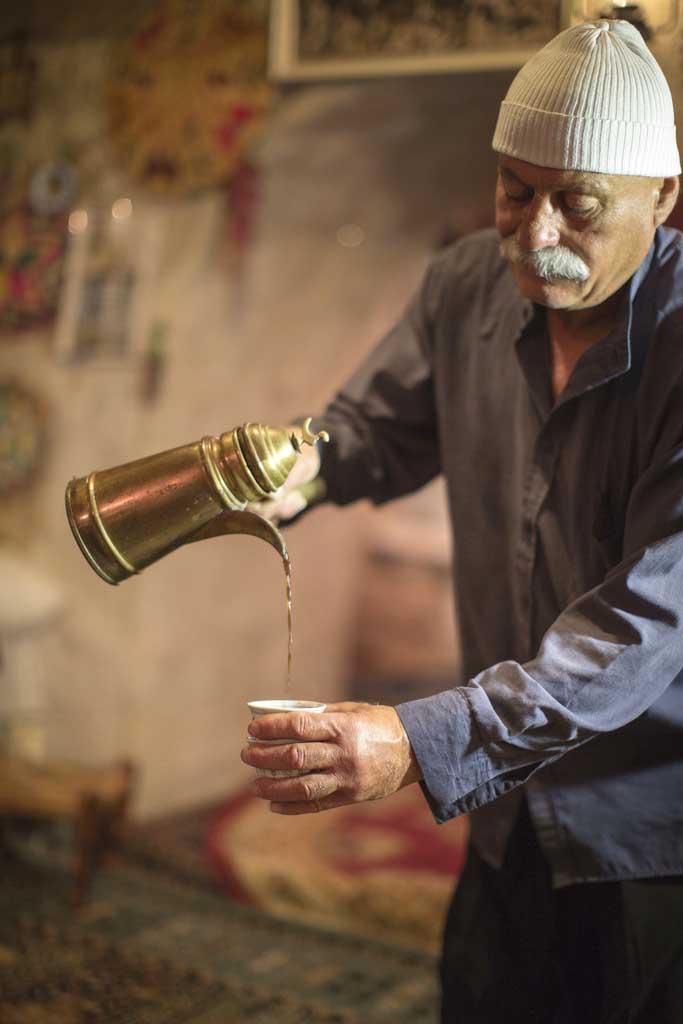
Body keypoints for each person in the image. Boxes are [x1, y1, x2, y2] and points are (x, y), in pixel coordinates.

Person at [241, 19, 683, 1023]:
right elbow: (372, 430)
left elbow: (642, 629)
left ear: (660, 196)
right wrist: (294, 467)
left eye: (575, 206)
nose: (533, 235)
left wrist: (417, 739)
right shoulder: (465, 287)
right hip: (504, 817)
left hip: (649, 833)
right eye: (512, 192)